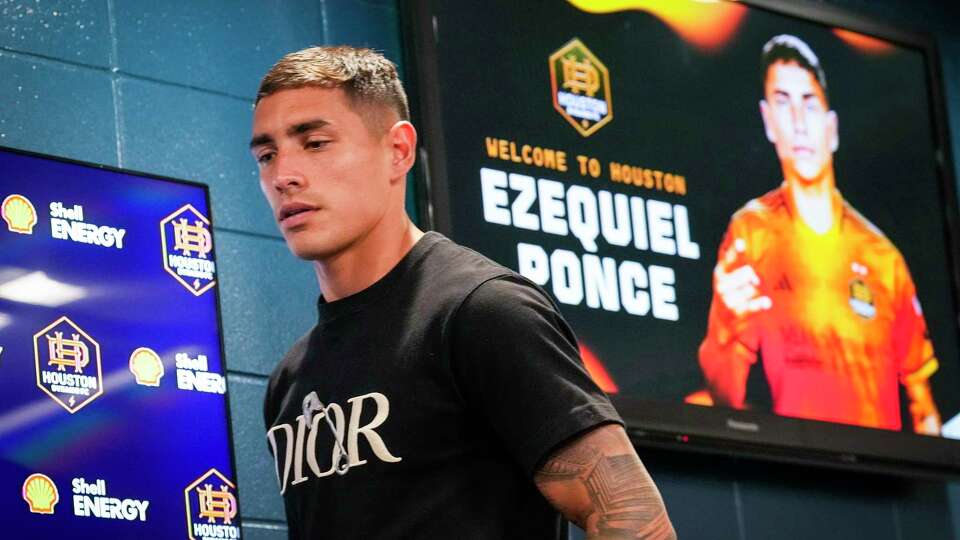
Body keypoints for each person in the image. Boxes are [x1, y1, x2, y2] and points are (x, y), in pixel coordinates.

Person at [251, 46, 675, 539]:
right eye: (266, 155)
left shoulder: (482, 311)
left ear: (398, 151)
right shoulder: (290, 381)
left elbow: (634, 519)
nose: (283, 176)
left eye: (316, 143)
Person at [697, 34, 941, 435]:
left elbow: (923, 406)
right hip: (783, 475)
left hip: (882, 483)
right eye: (782, 102)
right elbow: (725, 402)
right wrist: (724, 325)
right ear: (767, 120)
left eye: (809, 103)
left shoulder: (884, 257)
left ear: (832, 127)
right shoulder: (751, 232)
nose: (798, 122)